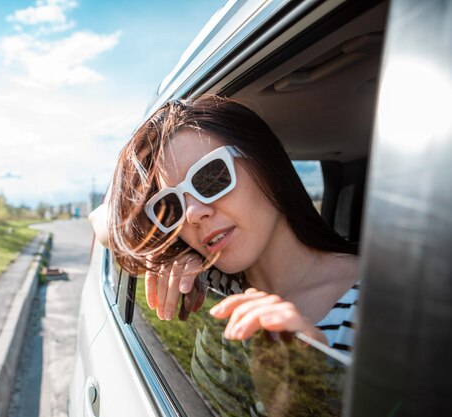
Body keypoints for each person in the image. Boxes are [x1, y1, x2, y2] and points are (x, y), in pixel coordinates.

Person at [91, 95, 359, 352]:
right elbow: (101, 221)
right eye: (169, 206)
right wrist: (169, 256)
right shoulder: (214, 281)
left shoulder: (378, 304)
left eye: (210, 177)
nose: (192, 214)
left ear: (268, 167)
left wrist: (318, 371)